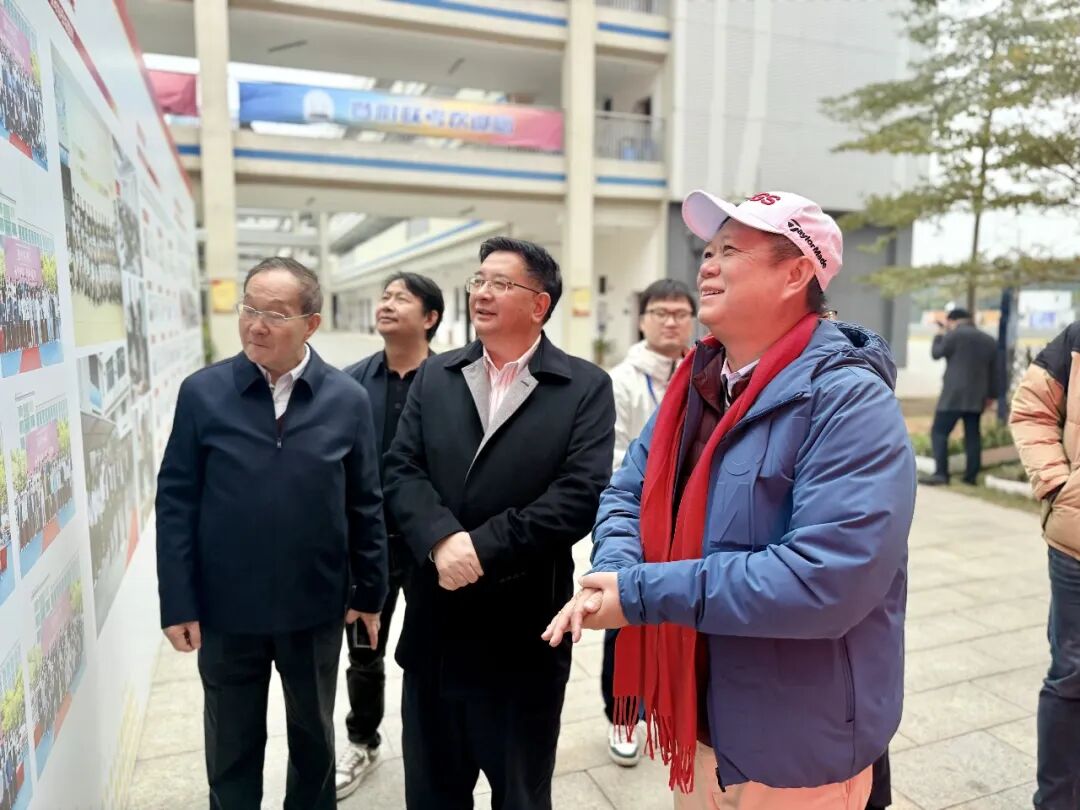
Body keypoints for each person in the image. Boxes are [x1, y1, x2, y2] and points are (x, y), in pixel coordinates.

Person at [544, 190, 915, 809]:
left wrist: (640, 593)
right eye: (707, 251)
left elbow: (828, 578)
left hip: (797, 738)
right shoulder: (697, 383)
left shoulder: (847, 399)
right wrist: (615, 567)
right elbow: (629, 491)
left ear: (796, 274)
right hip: (696, 715)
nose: (706, 267)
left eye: (730, 251)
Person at [383, 236, 615, 809]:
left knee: (521, 795)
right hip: (436, 629)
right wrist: (440, 539)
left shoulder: (584, 387)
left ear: (539, 304)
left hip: (522, 637)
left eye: (500, 283)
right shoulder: (437, 375)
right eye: (478, 281)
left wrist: (480, 548)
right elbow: (401, 468)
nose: (482, 293)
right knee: (432, 795)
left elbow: (577, 496)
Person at [156, 257, 388, 810]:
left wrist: (369, 593)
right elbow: (177, 501)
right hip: (226, 607)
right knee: (231, 744)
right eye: (249, 308)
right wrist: (178, 601)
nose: (256, 325)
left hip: (315, 606)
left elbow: (365, 502)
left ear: (311, 324)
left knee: (314, 740)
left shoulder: (346, 399)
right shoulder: (203, 393)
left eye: (276, 314)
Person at [336, 271, 445, 800]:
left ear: (430, 317)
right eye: (385, 296)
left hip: (429, 547)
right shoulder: (350, 383)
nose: (387, 304)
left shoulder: (451, 381)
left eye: (402, 298)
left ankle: (438, 745)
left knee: (434, 651)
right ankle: (362, 740)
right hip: (367, 547)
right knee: (363, 650)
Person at [602, 278, 696, 766]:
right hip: (639, 515)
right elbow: (614, 453)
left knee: (677, 611)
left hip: (691, 517)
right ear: (641, 320)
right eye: (660, 312)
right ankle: (622, 715)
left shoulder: (707, 369)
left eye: (680, 313)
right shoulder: (621, 380)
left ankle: (666, 704)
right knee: (623, 613)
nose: (671, 322)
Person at [1009, 320, 1080, 810]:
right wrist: (1058, 485)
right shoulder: (1077, 339)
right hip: (1077, 544)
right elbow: (1032, 407)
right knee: (1072, 675)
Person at [923, 308, 999, 486]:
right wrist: (992, 395)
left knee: (939, 432)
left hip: (953, 395)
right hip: (977, 396)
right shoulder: (988, 340)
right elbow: (995, 371)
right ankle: (970, 477)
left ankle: (941, 474)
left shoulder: (953, 335)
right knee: (973, 435)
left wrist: (939, 334)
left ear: (952, 321)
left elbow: (936, 353)